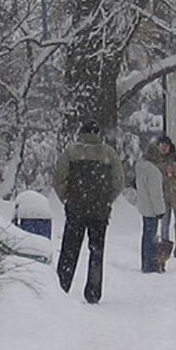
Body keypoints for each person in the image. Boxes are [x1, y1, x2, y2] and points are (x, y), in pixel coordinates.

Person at [53, 120, 125, 304]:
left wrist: (67, 198)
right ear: (98, 133)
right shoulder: (109, 153)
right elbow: (118, 182)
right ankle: (93, 292)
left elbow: (59, 179)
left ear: (81, 133)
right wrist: (106, 199)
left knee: (69, 250)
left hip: (76, 208)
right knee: (96, 251)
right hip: (99, 211)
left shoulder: (70, 152)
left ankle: (62, 286)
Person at [135, 139, 167, 273]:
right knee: (151, 237)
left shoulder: (140, 166)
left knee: (146, 236)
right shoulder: (153, 171)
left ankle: (145, 262)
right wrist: (160, 210)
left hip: (143, 205)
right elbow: (156, 193)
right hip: (151, 209)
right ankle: (151, 263)